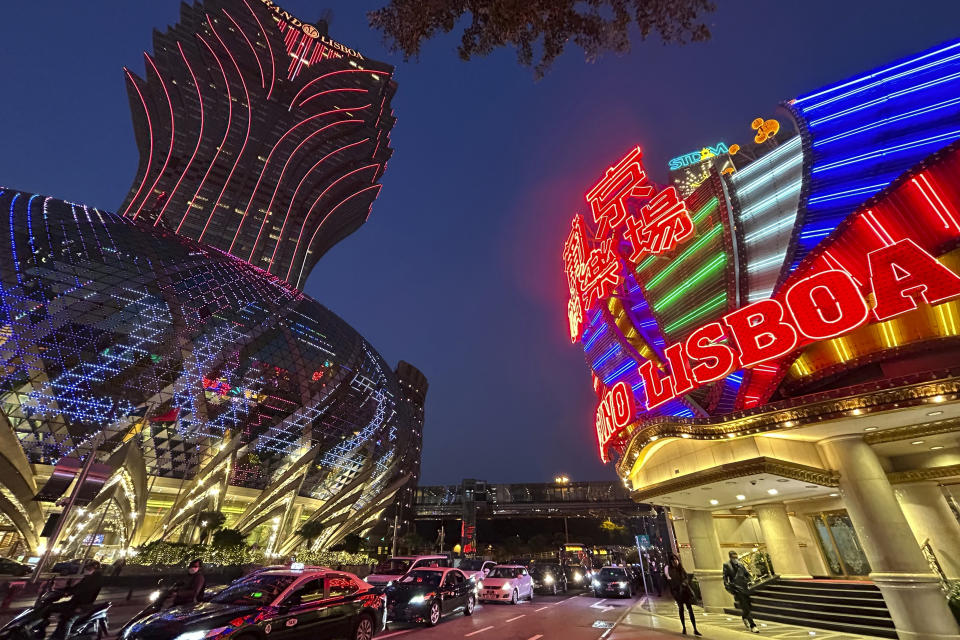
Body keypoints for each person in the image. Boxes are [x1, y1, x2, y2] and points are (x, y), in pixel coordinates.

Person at [49, 560, 104, 639]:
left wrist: (70, 592)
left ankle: (62, 637)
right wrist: (66, 591)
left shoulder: (94, 578)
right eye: (87, 567)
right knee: (60, 614)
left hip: (82, 604)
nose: (87, 569)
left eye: (89, 567)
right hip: (76, 602)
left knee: (68, 619)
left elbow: (82, 589)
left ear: (94, 568)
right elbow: (77, 587)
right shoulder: (90, 577)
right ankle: (55, 636)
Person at [664, 554, 701, 636]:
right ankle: (684, 627)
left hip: (685, 592)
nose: (675, 561)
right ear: (671, 562)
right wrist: (674, 592)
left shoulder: (681, 568)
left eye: (676, 559)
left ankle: (695, 628)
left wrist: (684, 583)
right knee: (681, 609)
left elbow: (686, 577)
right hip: (677, 593)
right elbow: (670, 582)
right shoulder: (669, 570)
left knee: (690, 610)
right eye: (673, 560)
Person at [723, 550, 757, 633]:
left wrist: (751, 580)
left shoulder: (741, 564)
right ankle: (753, 625)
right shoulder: (727, 565)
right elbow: (725, 577)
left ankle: (744, 616)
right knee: (745, 605)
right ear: (730, 557)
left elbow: (747, 574)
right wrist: (728, 587)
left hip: (744, 587)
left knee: (748, 605)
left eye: (736, 557)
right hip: (736, 588)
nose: (735, 559)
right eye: (733, 557)